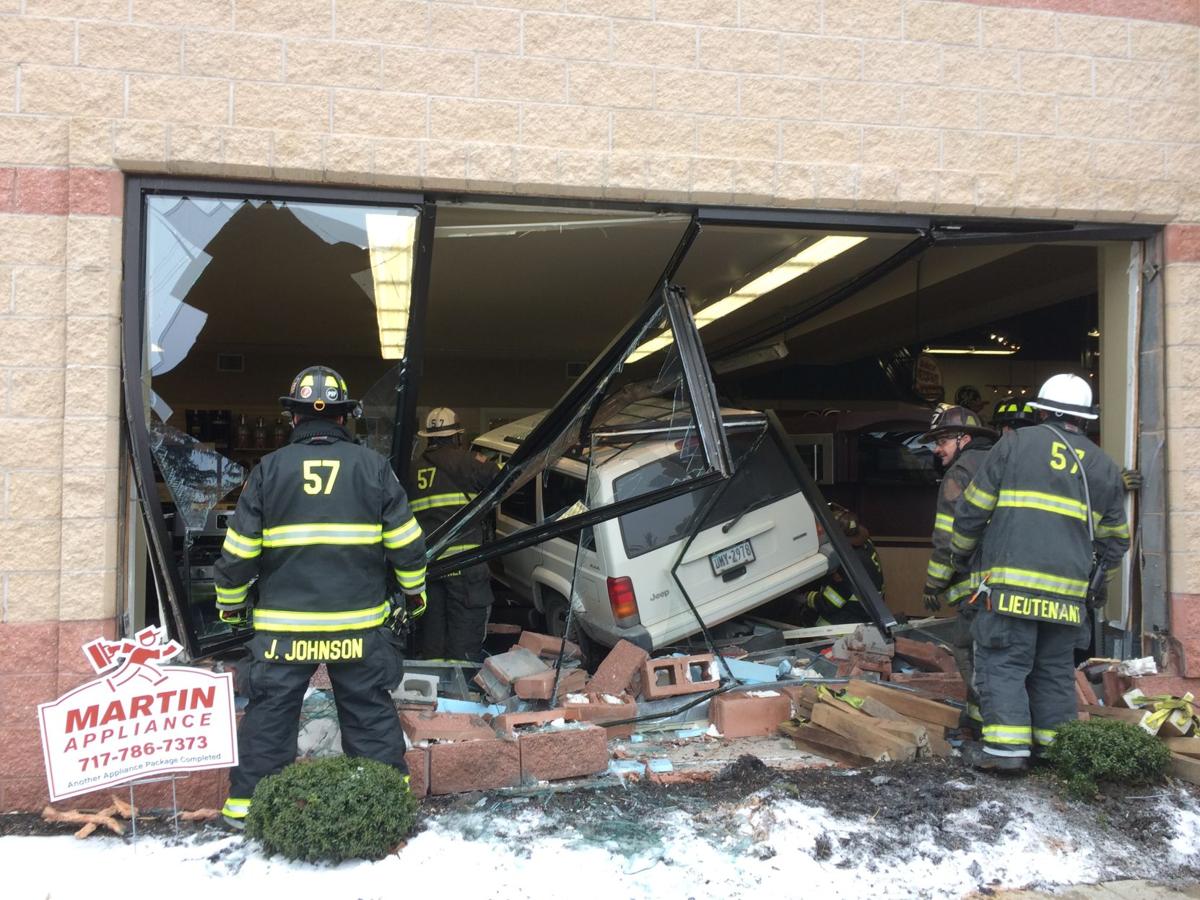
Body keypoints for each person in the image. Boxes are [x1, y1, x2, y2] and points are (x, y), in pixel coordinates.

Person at [214, 366, 427, 829]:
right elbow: (407, 545)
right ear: (345, 419)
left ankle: (246, 807)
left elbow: (238, 553)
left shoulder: (268, 471)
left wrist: (230, 605)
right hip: (357, 626)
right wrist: (414, 596)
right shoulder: (374, 468)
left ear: (292, 419)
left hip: (284, 630)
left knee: (271, 711)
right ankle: (385, 804)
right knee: (368, 709)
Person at [949, 374, 1130, 772]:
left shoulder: (1014, 444)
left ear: (1043, 410)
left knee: (1005, 664)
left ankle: (1006, 752)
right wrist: (1096, 586)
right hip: (1068, 601)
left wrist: (958, 559)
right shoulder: (1104, 467)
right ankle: (1054, 749)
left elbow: (971, 511)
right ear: (1084, 419)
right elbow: (1116, 541)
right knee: (1053, 672)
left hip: (1011, 592)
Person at [407, 407, 500, 663]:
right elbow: (503, 479)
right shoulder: (467, 462)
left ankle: (434, 693)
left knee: (433, 639)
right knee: (465, 638)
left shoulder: (411, 471)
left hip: (430, 569)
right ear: (457, 435)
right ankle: (461, 695)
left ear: (429, 437)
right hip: (465, 567)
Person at [920, 405, 998, 613]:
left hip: (975, 588)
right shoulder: (1000, 461)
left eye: (942, 442)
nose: (937, 450)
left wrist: (933, 584)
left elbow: (947, 537)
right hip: (1006, 584)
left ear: (964, 439)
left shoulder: (959, 473)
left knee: (970, 643)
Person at [797, 503, 884, 626]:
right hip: (870, 611)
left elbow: (829, 604)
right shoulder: (865, 544)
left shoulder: (847, 565)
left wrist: (806, 597)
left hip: (853, 621)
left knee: (821, 623)